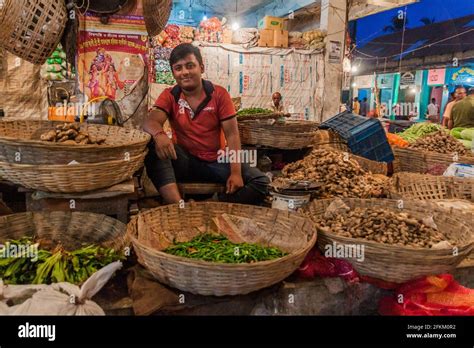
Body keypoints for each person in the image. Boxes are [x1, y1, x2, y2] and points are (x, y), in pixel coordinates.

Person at [143, 43, 269, 205]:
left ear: (201, 68)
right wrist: (159, 135)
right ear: (173, 73)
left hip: (217, 162)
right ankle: (177, 206)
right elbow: (150, 121)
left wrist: (236, 173)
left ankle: (211, 204)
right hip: (185, 163)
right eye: (178, 68)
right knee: (153, 144)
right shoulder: (170, 95)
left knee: (260, 181)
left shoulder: (219, 94)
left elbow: (232, 135)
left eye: (190, 66)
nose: (185, 72)